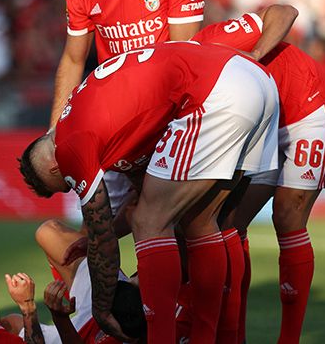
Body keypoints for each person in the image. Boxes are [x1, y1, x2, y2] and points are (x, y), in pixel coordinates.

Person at [19, 41, 278, 342]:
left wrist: (102, 311)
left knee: (149, 222)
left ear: (54, 167)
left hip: (216, 92)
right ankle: (228, 337)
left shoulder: (68, 149)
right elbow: (141, 194)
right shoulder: (95, 115)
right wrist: (97, 236)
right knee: (205, 222)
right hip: (254, 78)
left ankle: (161, 337)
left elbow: (102, 233)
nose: (74, 185)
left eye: (67, 183)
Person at [193, 8, 325, 344]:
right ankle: (234, 335)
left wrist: (252, 57)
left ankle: (288, 339)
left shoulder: (213, 41)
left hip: (312, 106)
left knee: (286, 215)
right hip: (264, 123)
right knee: (228, 221)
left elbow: (284, 12)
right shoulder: (180, 91)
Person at [49, 0, 207, 215]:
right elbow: (73, 59)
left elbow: (184, 58)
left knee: (177, 221)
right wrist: (55, 131)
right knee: (98, 227)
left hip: (167, 121)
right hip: (113, 123)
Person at [35, 218, 146, 343]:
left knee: (12, 324)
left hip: (85, 328)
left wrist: (30, 309)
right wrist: (98, 242)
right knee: (48, 231)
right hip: (122, 301)